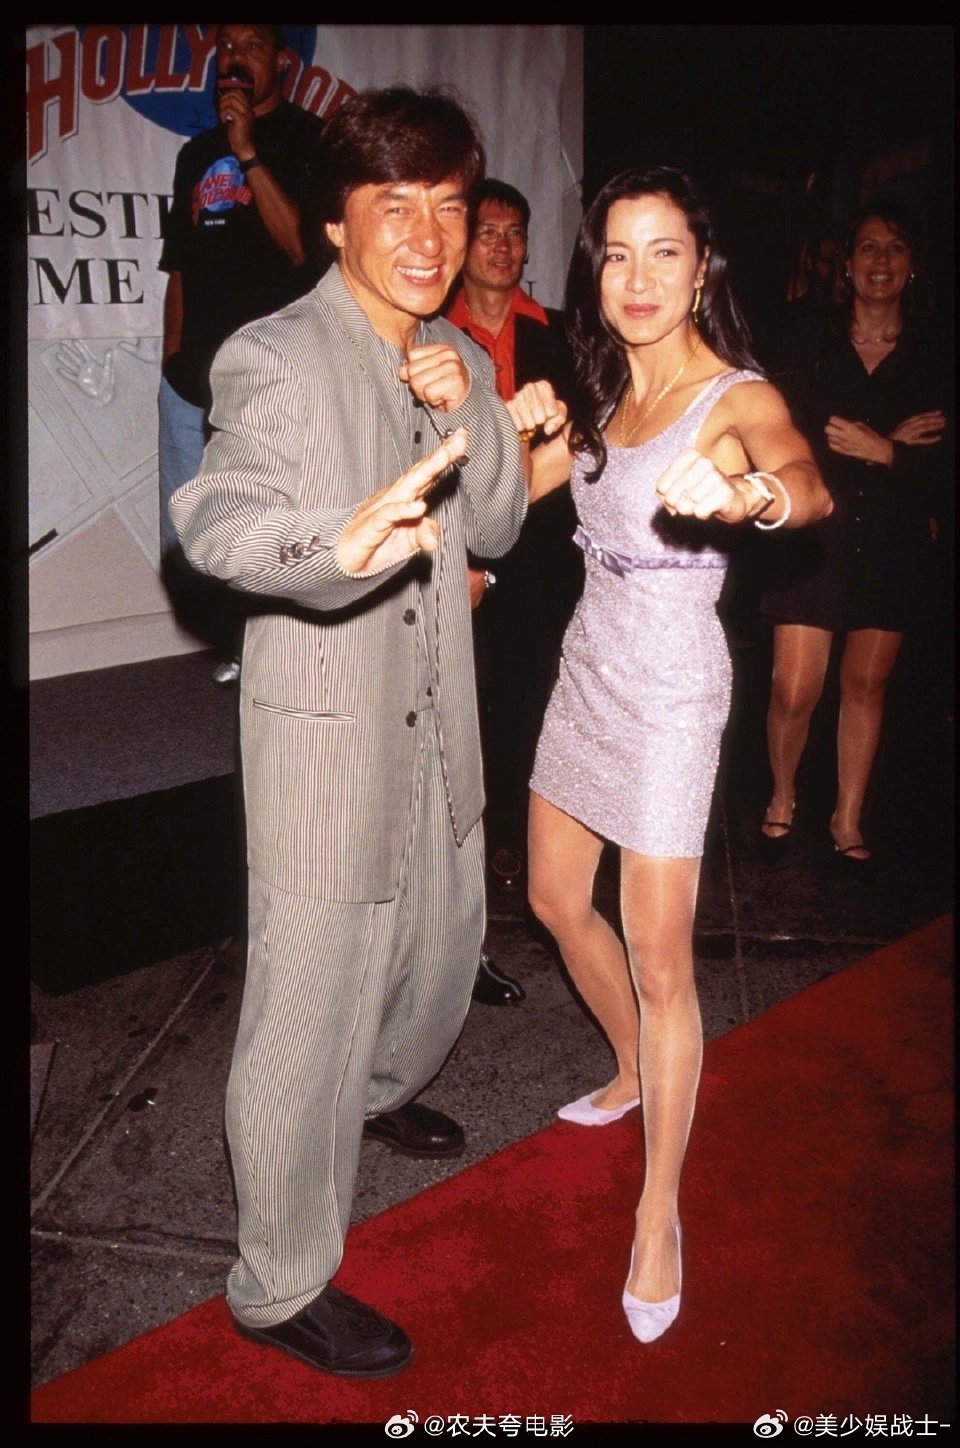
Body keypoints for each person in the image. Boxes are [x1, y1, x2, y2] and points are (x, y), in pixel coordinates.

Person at [169, 86, 526, 1377]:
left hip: (440, 726)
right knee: (304, 1012)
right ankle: (277, 1283)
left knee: (440, 954)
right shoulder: (274, 354)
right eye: (395, 205)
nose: (430, 236)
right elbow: (216, 518)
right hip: (328, 732)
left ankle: (369, 1097)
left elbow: (497, 523)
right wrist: (335, 544)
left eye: (450, 207)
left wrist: (472, 404)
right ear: (336, 222)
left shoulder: (458, 352)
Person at [504, 165, 831, 1343]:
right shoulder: (603, 389)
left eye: (665, 252)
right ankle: (637, 1068)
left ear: (702, 270)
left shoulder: (733, 394)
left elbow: (805, 482)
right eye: (617, 253)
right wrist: (506, 433)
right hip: (589, 662)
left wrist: (750, 497)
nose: (637, 277)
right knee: (553, 896)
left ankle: (658, 1214)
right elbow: (510, 500)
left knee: (660, 958)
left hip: (672, 688)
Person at [760, 199, 949, 867]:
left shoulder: (934, 355)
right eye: (868, 247)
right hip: (815, 537)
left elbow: (943, 465)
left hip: (892, 539)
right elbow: (785, 435)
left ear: (912, 266)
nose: (881, 261)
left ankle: (847, 818)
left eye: (895, 248)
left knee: (866, 686)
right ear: (846, 263)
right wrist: (883, 443)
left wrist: (887, 452)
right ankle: (782, 793)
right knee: (794, 688)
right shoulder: (806, 340)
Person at [446, 178, 582, 1006]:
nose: (500, 245)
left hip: (542, 550)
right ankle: (473, 848)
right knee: (463, 701)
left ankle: (519, 840)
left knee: (533, 698)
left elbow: (585, 437)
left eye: (514, 233)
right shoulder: (433, 333)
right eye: (486, 230)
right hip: (460, 546)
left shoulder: (559, 334)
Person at [158, 23, 324, 682]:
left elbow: (304, 250)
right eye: (226, 46)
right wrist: (171, 364)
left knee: (271, 522)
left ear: (281, 60)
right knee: (191, 530)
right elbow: (179, 267)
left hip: (270, 380)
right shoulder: (195, 155)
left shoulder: (313, 142)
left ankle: (278, 655)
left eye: (251, 45)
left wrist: (249, 152)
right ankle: (234, 641)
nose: (234, 57)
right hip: (192, 377)